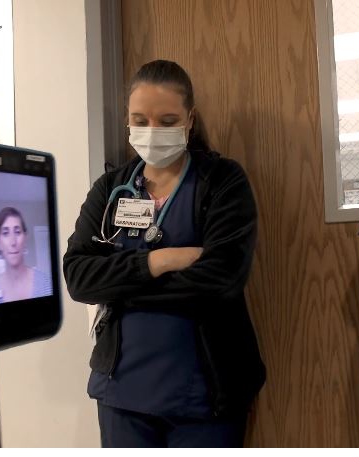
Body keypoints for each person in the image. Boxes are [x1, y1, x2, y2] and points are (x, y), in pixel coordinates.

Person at [63, 60, 265, 448]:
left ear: (189, 120)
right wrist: (157, 261)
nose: (152, 132)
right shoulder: (111, 188)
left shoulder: (221, 181)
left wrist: (118, 284)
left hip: (205, 397)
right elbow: (78, 277)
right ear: (127, 120)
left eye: (167, 120)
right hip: (123, 396)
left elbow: (220, 279)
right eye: (140, 120)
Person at [0, 207, 52, 304]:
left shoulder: (46, 283)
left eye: (17, 232)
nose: (13, 242)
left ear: (25, 238)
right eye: (5, 233)